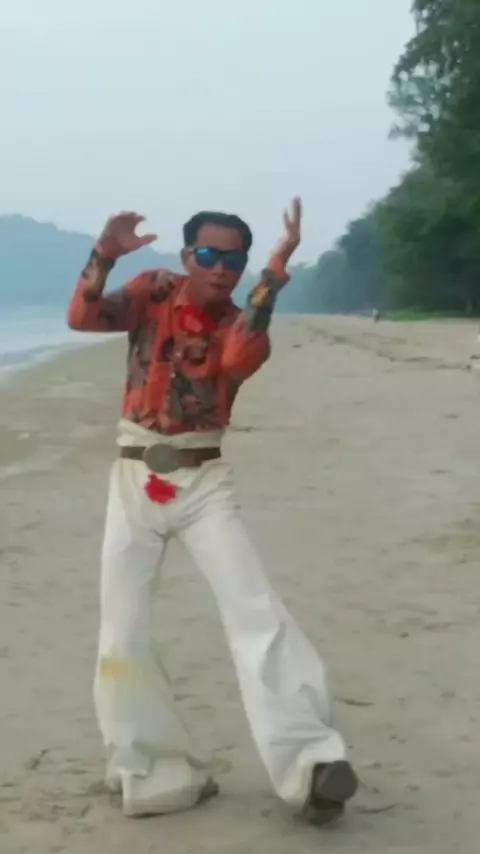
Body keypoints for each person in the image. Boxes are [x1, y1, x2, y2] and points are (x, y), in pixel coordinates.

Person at [67, 201, 358, 825]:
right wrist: (105, 254)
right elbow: (83, 317)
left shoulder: (242, 323)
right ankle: (154, 773)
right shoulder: (152, 292)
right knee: (122, 632)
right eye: (207, 255)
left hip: (204, 484)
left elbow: (236, 361)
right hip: (133, 478)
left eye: (233, 259)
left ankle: (313, 766)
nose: (220, 268)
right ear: (186, 256)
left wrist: (274, 273)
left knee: (256, 612)